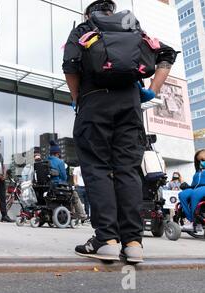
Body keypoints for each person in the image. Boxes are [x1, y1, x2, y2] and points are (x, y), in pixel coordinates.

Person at [63, 0, 177, 263]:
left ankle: (107, 241)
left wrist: (77, 97)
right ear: (111, 12)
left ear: (88, 12)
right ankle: (134, 243)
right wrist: (153, 90)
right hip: (129, 105)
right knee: (128, 170)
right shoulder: (132, 30)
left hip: (94, 103)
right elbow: (166, 55)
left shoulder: (83, 28)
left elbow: (70, 63)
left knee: (97, 168)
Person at [178, 150, 205, 232]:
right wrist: (187, 186)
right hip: (196, 189)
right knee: (182, 194)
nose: (201, 162)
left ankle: (195, 222)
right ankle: (191, 220)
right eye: (199, 160)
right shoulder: (198, 172)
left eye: (203, 160)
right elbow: (194, 185)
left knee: (195, 193)